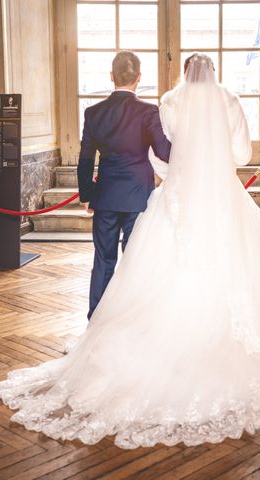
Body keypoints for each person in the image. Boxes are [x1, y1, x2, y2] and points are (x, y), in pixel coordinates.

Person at [0, 53, 260, 449]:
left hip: (174, 194)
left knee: (142, 266)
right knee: (235, 262)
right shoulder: (229, 100)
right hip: (222, 195)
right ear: (213, 74)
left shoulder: (169, 101)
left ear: (183, 73)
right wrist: (210, 164)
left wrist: (176, 178)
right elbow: (240, 154)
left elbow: (161, 153)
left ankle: (110, 327)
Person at [77, 51, 171, 319]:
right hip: (138, 197)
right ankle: (131, 319)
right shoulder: (148, 111)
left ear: (111, 76)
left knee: (104, 260)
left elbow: (85, 158)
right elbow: (165, 152)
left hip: (105, 196)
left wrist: (86, 194)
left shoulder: (93, 113)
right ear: (139, 78)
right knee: (134, 260)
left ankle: (97, 318)